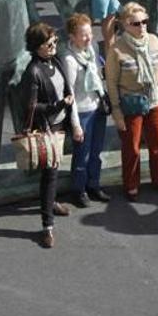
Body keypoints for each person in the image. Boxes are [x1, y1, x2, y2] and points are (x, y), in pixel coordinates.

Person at [106, 2, 158, 202]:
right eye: (136, 23)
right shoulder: (117, 49)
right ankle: (131, 184)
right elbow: (111, 83)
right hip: (131, 103)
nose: (142, 26)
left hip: (156, 99)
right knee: (132, 147)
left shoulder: (153, 40)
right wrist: (117, 112)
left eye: (145, 21)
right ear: (124, 25)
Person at [20, 22, 74, 249]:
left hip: (60, 123)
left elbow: (65, 86)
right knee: (50, 174)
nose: (54, 46)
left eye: (55, 41)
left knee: (55, 168)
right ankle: (47, 226)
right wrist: (58, 104)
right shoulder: (33, 72)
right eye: (48, 43)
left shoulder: (56, 61)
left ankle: (51, 203)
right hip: (46, 127)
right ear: (37, 47)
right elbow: (32, 107)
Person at [60, 14, 111, 208]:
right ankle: (78, 189)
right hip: (82, 111)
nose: (89, 38)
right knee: (82, 154)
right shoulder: (69, 60)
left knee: (96, 151)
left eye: (90, 33)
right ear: (72, 37)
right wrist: (75, 125)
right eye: (83, 35)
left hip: (97, 107)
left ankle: (94, 185)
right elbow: (70, 94)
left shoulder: (93, 49)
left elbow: (98, 74)